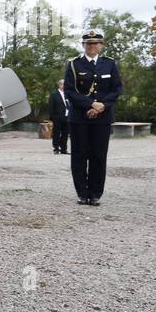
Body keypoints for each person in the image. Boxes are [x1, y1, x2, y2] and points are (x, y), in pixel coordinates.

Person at [64, 30, 123, 206]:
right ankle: (82, 193)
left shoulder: (109, 64)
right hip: (80, 117)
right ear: (83, 45)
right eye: (88, 43)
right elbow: (69, 91)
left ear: (101, 45)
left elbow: (117, 89)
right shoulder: (74, 64)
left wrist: (102, 106)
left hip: (102, 117)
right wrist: (90, 105)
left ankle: (95, 193)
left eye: (95, 43)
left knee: (98, 155)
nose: (92, 46)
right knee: (79, 155)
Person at [48, 79, 70, 155]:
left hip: (67, 117)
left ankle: (64, 149)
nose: (65, 86)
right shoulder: (54, 95)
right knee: (56, 133)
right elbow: (51, 107)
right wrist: (53, 117)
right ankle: (56, 148)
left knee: (65, 134)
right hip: (57, 117)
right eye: (64, 84)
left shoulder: (68, 94)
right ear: (60, 85)